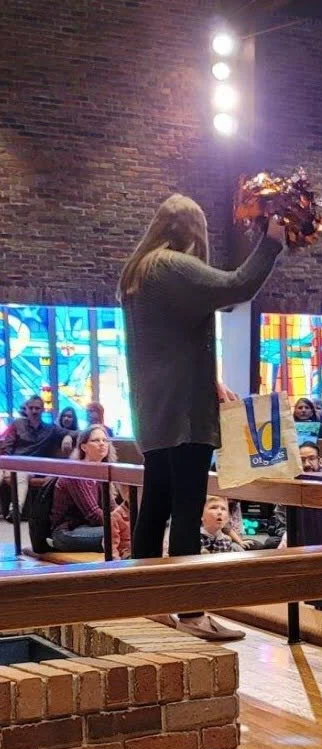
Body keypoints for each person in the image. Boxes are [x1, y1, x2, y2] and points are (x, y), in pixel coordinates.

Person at [119, 193, 284, 641]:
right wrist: (271, 240)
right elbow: (237, 286)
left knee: (154, 508)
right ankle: (192, 614)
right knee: (188, 511)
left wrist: (208, 379)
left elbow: (172, 342)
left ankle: (149, 605)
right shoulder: (171, 264)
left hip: (154, 411)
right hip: (184, 414)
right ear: (191, 229)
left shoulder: (138, 271)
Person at [49, 425, 119, 554]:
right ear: (83, 447)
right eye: (96, 440)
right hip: (66, 532)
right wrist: (122, 523)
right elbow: (93, 515)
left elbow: (112, 507)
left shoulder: (102, 470)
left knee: (131, 531)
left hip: (89, 527)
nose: (102, 444)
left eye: (105, 440)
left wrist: (126, 519)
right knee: (123, 533)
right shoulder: (76, 473)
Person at [0, 395, 72, 518]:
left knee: (22, 475)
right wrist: (7, 466)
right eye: (31, 408)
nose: (34, 411)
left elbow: (75, 432)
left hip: (30, 468)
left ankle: (15, 511)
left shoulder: (51, 429)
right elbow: (7, 446)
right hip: (10, 463)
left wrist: (68, 437)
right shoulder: (17, 424)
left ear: (43, 410)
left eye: (37, 408)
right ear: (26, 409)